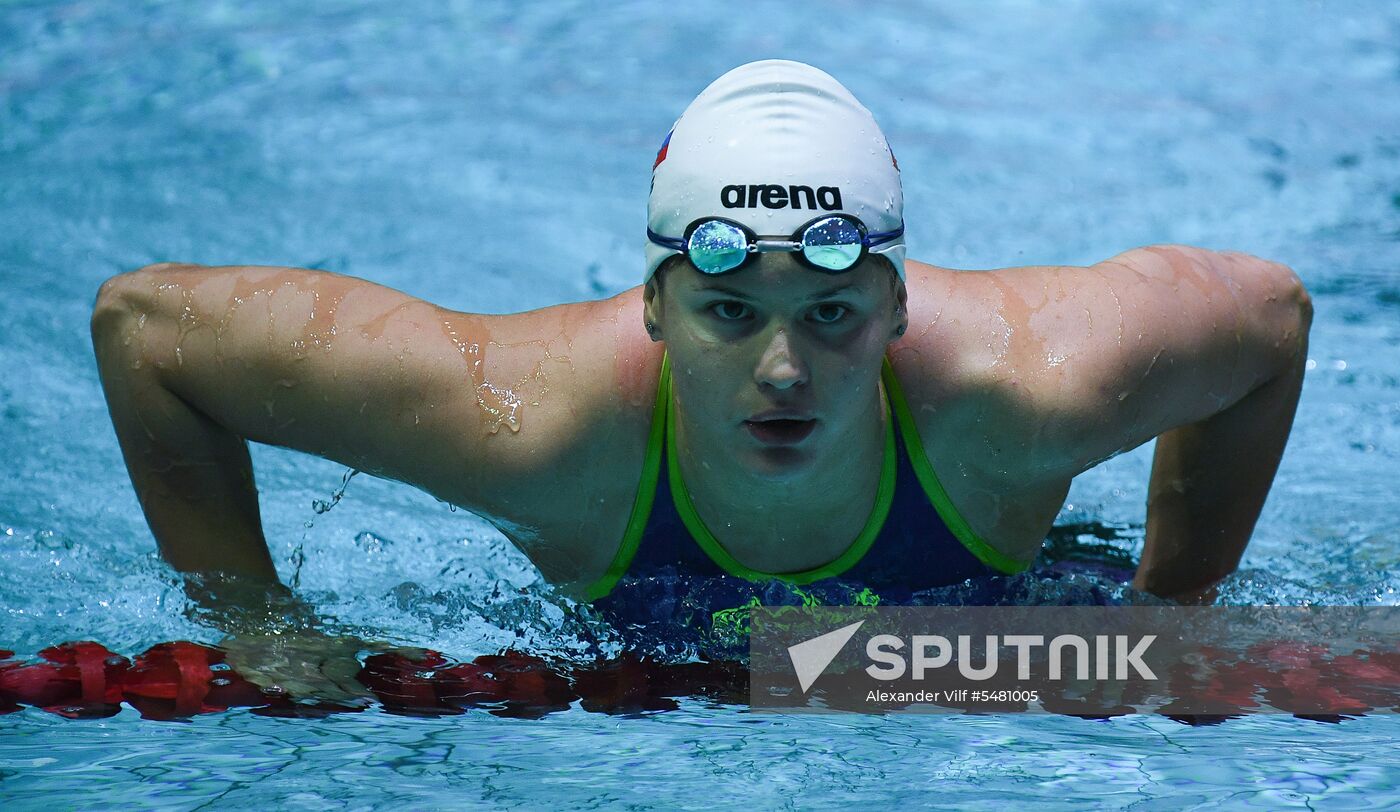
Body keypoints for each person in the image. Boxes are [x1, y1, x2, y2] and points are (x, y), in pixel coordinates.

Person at [90, 60, 1312, 621]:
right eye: (730, 311)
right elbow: (145, 328)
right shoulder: (525, 421)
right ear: (652, 307)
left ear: (895, 308)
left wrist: (1172, 602)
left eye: (829, 314)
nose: (782, 368)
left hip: (1020, 570)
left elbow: (1268, 315)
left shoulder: (1027, 386)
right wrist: (255, 621)